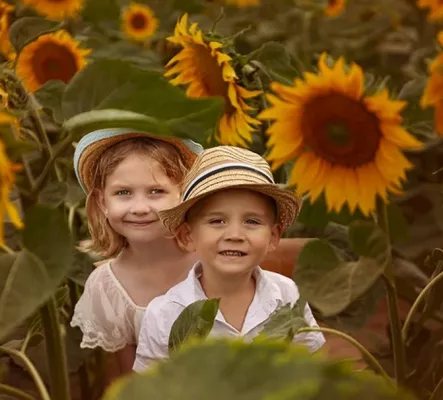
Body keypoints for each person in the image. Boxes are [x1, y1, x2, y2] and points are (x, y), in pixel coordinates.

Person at [69, 128, 314, 377]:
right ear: (102, 202)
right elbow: (126, 380)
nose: (140, 207)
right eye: (123, 193)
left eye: (156, 191)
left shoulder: (220, 253)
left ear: (184, 194)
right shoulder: (108, 287)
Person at [133, 146, 326, 372]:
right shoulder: (165, 314)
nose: (235, 235)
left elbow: (313, 365)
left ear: (273, 237)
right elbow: (149, 388)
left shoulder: (286, 294)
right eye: (217, 221)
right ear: (187, 236)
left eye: (252, 222)